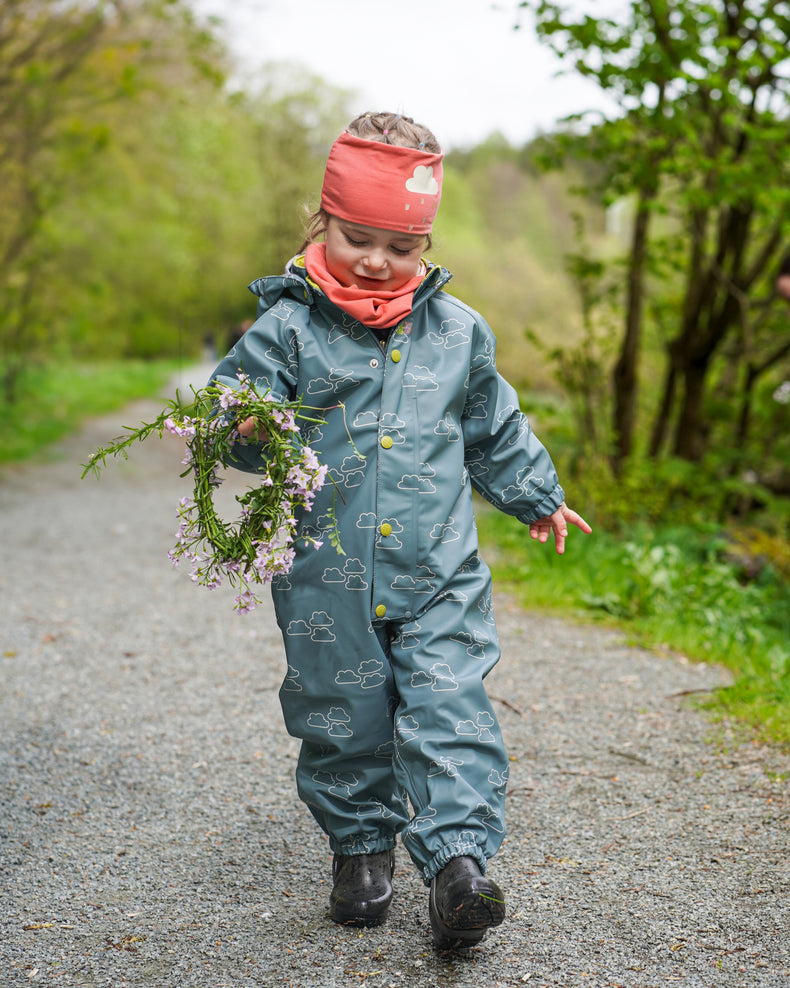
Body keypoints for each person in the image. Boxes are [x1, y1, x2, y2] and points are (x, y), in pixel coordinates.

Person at [210, 111, 591, 950]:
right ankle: (359, 849)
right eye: (357, 238)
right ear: (322, 220)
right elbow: (226, 425)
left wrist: (535, 494)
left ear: (426, 245)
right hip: (326, 569)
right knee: (340, 710)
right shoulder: (286, 331)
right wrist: (242, 430)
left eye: (400, 245)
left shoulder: (458, 332)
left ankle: (458, 868)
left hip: (439, 568)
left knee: (451, 705)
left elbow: (493, 425)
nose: (378, 260)